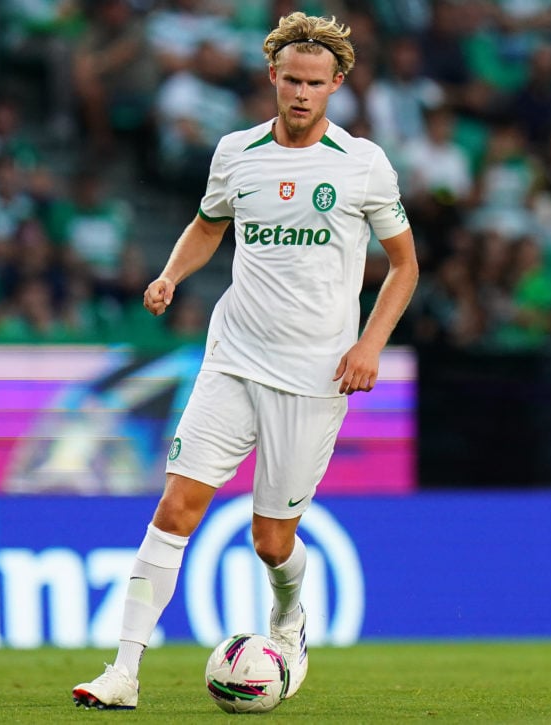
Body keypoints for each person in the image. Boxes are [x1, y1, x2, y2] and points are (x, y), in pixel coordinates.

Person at [71, 12, 419, 710]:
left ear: (337, 84)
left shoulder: (362, 165)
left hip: (315, 373)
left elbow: (405, 266)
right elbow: (207, 226)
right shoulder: (236, 152)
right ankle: (122, 670)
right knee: (176, 506)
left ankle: (289, 619)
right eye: (291, 79)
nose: (300, 93)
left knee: (269, 539)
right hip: (233, 358)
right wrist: (171, 275)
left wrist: (369, 344)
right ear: (272, 76)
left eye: (315, 83)